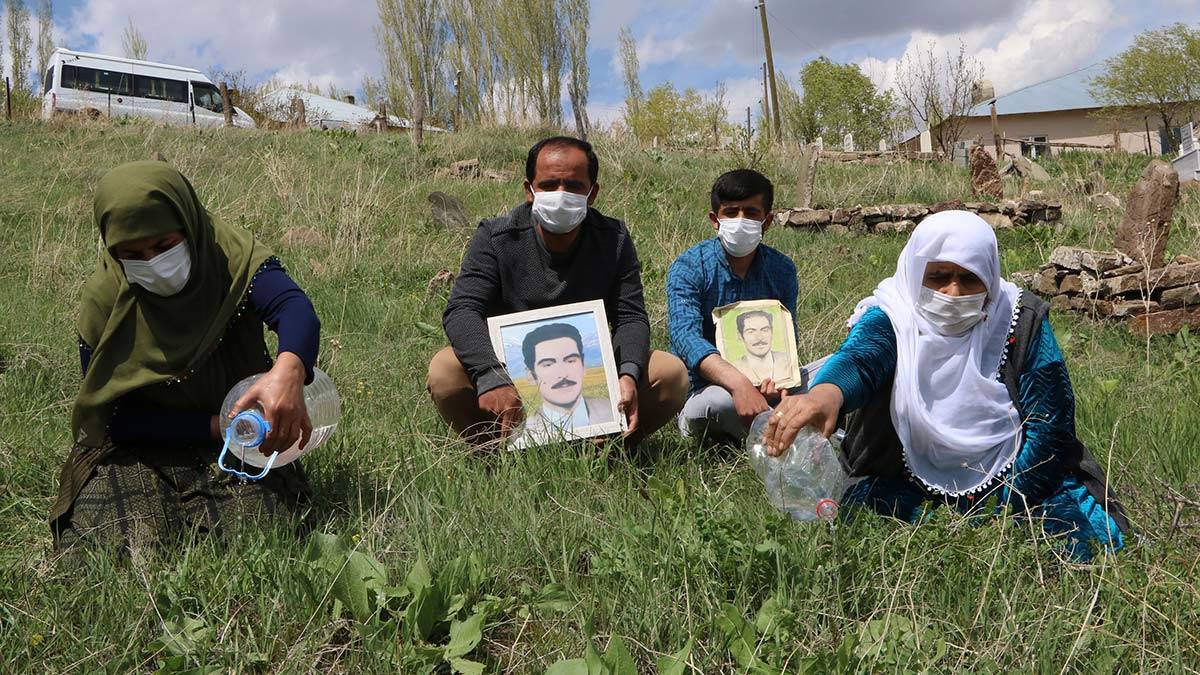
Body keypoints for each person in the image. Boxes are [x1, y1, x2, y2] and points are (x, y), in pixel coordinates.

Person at [763, 211, 1129, 560]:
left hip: (1015, 480)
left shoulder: (1019, 319)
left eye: (969, 279)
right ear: (916, 273)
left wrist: (999, 508)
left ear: (990, 278)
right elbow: (862, 357)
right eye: (938, 277)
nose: (953, 292)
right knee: (874, 526)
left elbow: (1050, 426)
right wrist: (826, 393)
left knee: (1070, 541)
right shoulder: (895, 314)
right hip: (902, 476)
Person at [52, 161, 321, 552]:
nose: (153, 263)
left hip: (245, 433)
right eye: (133, 254)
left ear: (188, 225)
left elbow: (293, 307)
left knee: (261, 536)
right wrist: (214, 426)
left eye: (164, 246)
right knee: (116, 542)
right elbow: (115, 420)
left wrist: (289, 371)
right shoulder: (104, 303)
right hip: (144, 443)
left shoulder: (231, 258)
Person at [427, 136, 688, 446]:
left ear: (592, 194)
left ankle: (607, 449)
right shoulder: (496, 238)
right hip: (506, 373)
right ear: (529, 190)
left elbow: (630, 317)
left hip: (588, 378)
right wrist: (489, 373)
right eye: (549, 185)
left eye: (574, 186)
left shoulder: (613, 239)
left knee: (670, 373)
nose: (561, 195)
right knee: (444, 370)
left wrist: (628, 374)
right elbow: (462, 309)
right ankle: (494, 452)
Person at [667, 169, 799, 444]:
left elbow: (788, 335)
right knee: (718, 405)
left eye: (751, 213)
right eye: (731, 212)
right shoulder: (689, 267)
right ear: (715, 220)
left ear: (767, 221)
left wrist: (782, 382)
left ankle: (777, 419)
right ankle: (786, 428)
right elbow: (685, 337)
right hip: (708, 390)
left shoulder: (782, 269)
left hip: (769, 386)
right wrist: (738, 384)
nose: (740, 220)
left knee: (832, 375)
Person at [517, 323, 614, 444]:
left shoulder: (613, 412)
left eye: (570, 361)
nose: (563, 374)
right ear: (531, 375)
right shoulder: (524, 434)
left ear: (583, 365)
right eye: (548, 364)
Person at [732, 310, 794, 384]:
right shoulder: (734, 369)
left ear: (772, 331)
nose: (759, 337)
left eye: (765, 330)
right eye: (751, 332)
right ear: (740, 336)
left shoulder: (788, 360)